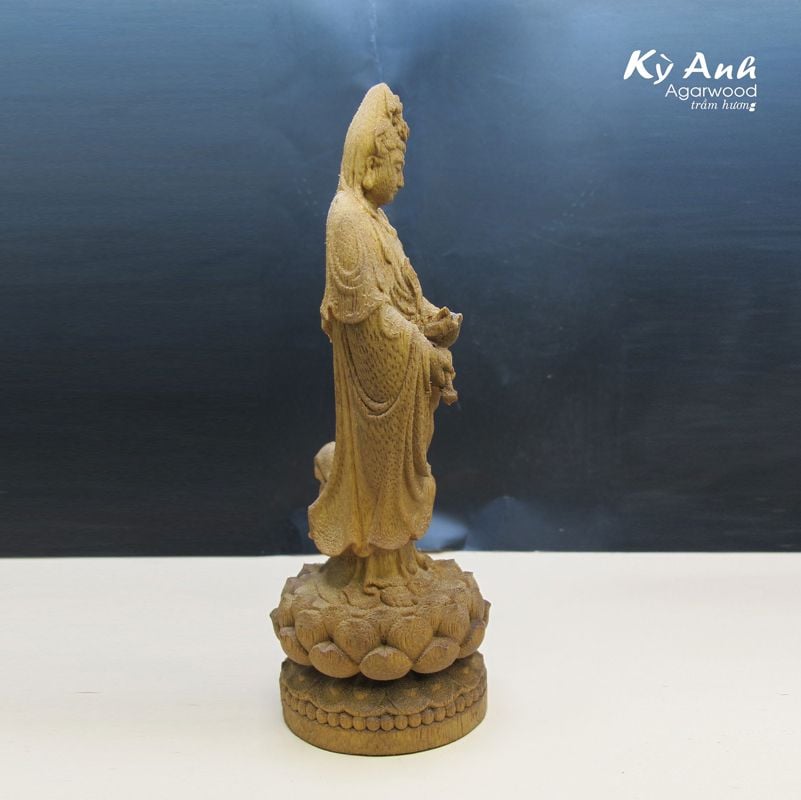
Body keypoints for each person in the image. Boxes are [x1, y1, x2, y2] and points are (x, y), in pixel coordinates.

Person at [308, 84, 461, 562]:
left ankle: (395, 563)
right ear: (371, 161)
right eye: (398, 166)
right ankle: (374, 570)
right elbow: (369, 319)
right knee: (377, 476)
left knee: (401, 469)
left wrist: (431, 317)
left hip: (400, 378)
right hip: (375, 392)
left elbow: (400, 294)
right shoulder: (347, 219)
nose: (402, 180)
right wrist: (423, 350)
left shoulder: (376, 222)